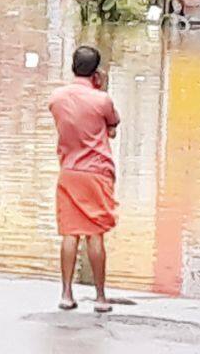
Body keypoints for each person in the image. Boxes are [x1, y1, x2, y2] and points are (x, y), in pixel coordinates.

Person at [49, 45, 121, 313]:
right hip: (97, 172)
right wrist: (99, 88)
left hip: (69, 170)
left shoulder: (56, 98)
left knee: (69, 233)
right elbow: (112, 126)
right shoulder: (102, 100)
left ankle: (66, 293)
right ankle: (100, 297)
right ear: (96, 72)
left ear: (72, 66)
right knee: (95, 234)